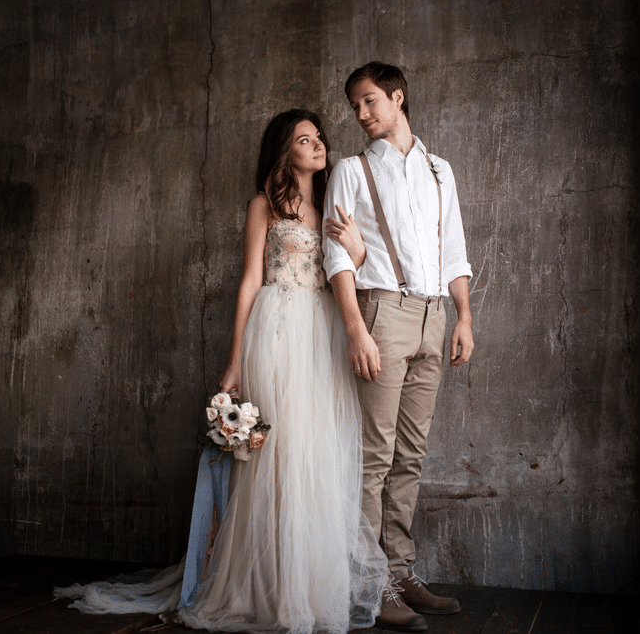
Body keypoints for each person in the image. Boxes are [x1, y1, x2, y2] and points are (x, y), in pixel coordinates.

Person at [55, 109, 389, 634]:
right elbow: (249, 281)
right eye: (305, 139)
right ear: (286, 151)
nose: (319, 144)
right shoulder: (265, 205)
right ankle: (269, 590)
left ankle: (302, 586)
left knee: (313, 453)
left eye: (320, 136)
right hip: (278, 328)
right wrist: (234, 360)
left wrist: (356, 245)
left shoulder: (332, 206)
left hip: (323, 331)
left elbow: (358, 264)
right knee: (275, 454)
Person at [322, 62, 474, 633]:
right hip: (381, 312)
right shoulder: (351, 170)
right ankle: (370, 584)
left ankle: (401, 571)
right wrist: (356, 329)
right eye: (354, 107)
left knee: (410, 455)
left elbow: (454, 249)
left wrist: (463, 316)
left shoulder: (440, 170)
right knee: (373, 458)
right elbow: (336, 257)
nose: (360, 115)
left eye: (368, 102)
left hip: (435, 316)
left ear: (397, 97)